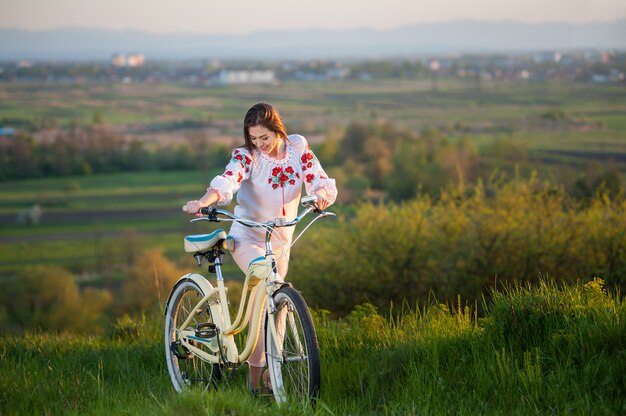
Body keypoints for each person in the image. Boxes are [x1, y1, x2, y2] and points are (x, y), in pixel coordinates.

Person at [184, 102, 337, 392]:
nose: (259, 144)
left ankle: (266, 375)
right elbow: (228, 180)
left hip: (281, 239)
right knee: (271, 285)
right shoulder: (247, 157)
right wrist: (203, 202)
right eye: (253, 138)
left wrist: (320, 195)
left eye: (264, 138)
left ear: (278, 130)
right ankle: (260, 377)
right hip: (248, 237)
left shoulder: (298, 147)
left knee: (274, 307)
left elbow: (316, 176)